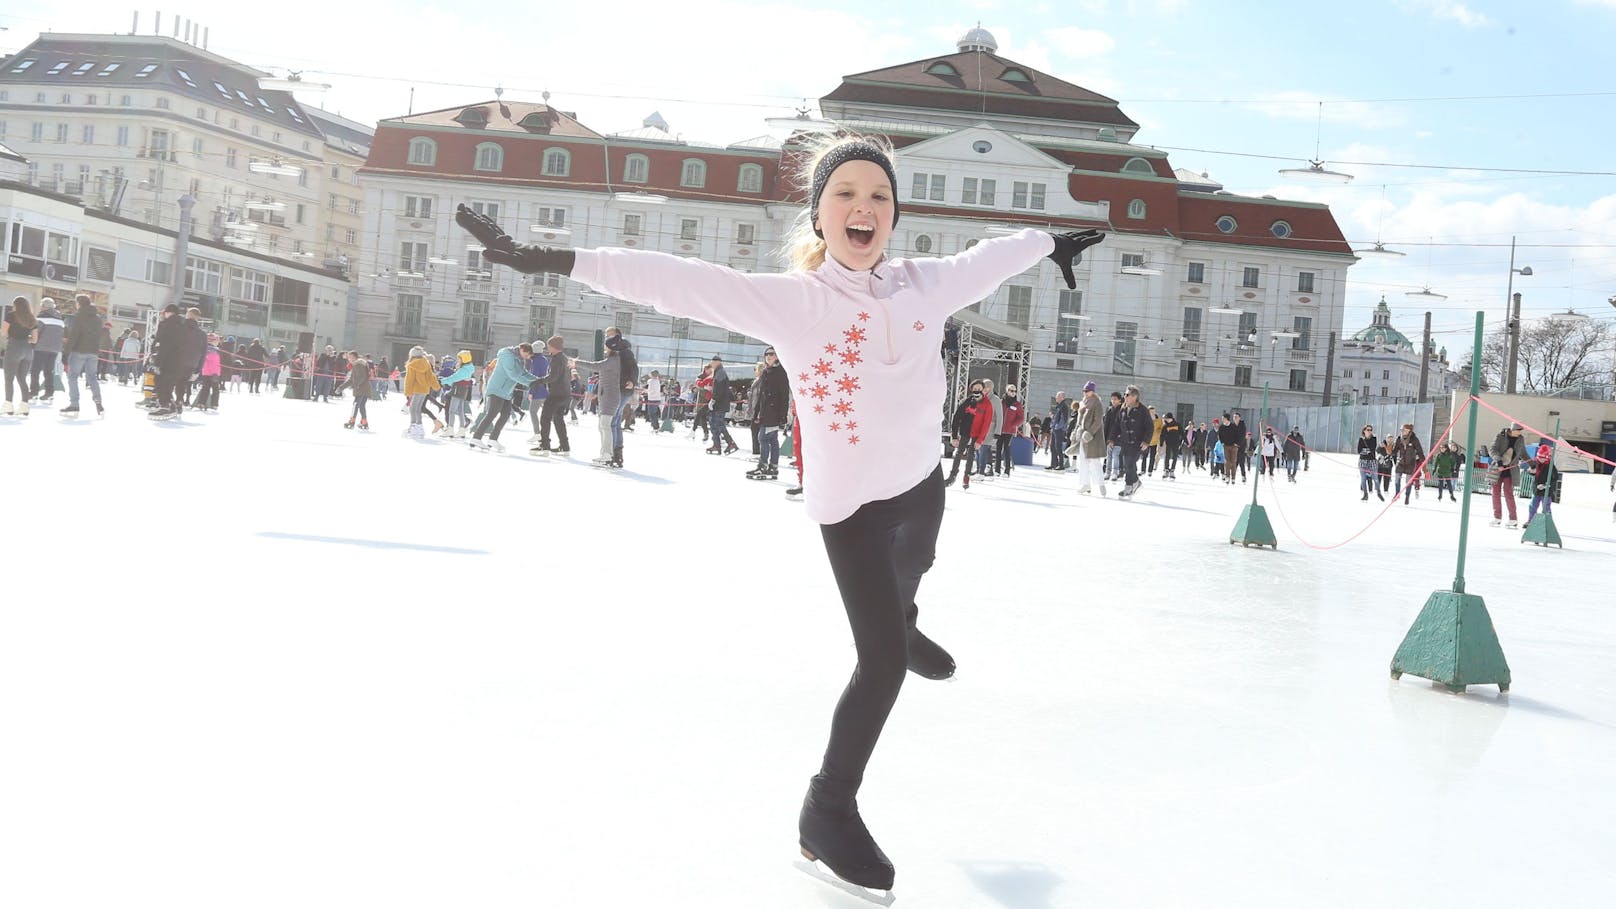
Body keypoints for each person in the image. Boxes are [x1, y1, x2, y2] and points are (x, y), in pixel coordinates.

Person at [455, 133, 1106, 895]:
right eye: (847, 194)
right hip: (853, 508)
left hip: (922, 483)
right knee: (883, 665)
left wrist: (1050, 239)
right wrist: (549, 260)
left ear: (894, 216)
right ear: (820, 215)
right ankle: (826, 811)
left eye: (880, 197)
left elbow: (990, 258)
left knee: (917, 564)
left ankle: (904, 612)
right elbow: (675, 278)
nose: (864, 207)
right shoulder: (795, 304)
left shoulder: (926, 285)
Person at [572, 330, 631, 467]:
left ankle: (607, 455)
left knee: (605, 426)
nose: (604, 348)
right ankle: (605, 454)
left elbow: (595, 366)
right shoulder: (613, 360)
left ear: (611, 347)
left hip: (610, 398)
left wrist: (576, 362)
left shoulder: (612, 360)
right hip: (607, 397)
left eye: (606, 346)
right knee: (603, 426)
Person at [467, 343, 534, 452]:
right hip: (497, 388)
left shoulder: (518, 359)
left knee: (505, 414)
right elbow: (513, 374)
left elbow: (523, 373)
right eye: (526, 355)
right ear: (521, 349)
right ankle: (476, 437)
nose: (526, 357)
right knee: (492, 414)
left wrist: (538, 380)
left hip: (506, 391)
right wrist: (531, 384)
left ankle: (493, 439)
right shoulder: (507, 355)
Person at [750, 347, 791, 480]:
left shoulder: (780, 372)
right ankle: (773, 467)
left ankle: (763, 465)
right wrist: (756, 412)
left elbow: (784, 395)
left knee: (763, 438)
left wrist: (782, 415)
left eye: (771, 354)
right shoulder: (767, 372)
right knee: (772, 440)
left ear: (777, 356)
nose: (768, 356)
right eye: (766, 354)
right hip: (765, 411)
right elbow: (761, 395)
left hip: (773, 412)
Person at [61, 295, 105, 417]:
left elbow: (74, 336)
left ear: (79, 303)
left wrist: (65, 353)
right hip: (93, 352)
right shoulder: (98, 318)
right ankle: (98, 402)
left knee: (73, 377)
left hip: (79, 351)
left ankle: (74, 404)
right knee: (92, 377)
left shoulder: (79, 317)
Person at [945, 379, 993, 489]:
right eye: (975, 389)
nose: (977, 391)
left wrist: (980, 440)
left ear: (983, 390)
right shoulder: (968, 401)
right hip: (965, 432)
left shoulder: (987, 404)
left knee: (970, 455)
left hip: (976, 435)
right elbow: (957, 418)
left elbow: (986, 424)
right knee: (959, 453)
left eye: (979, 389)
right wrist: (954, 436)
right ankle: (952, 476)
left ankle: (966, 477)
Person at [3, 296, 39, 415]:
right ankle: (24, 405)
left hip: (14, 347)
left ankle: (8, 405)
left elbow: (3, 332)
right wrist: (26, 338)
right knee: (22, 379)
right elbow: (34, 340)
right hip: (28, 350)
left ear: (16, 305)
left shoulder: (11, 315)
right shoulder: (32, 318)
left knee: (9, 378)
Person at [29, 297, 66, 406]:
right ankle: (49, 393)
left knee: (35, 371)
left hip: (41, 348)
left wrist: (31, 342)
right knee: (49, 371)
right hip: (54, 349)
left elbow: (36, 333)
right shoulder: (60, 319)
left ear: (44, 306)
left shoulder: (41, 318)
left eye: (41, 305)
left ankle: (34, 392)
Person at [402, 346, 441, 440]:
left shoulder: (412, 364)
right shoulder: (426, 363)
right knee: (417, 408)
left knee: (412, 408)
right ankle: (419, 428)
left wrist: (407, 391)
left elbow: (409, 380)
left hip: (416, 389)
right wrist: (436, 386)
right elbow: (431, 376)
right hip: (424, 389)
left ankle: (414, 427)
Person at [706, 355, 739, 454]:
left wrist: (713, 400)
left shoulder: (720, 373)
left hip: (720, 404)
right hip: (720, 403)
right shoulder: (718, 372)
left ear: (717, 362)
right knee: (714, 424)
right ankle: (717, 444)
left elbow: (719, 389)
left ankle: (729, 443)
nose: (711, 364)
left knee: (718, 424)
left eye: (712, 362)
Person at [1525, 437, 1560, 524]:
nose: (1541, 460)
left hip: (1546, 492)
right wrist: (1530, 471)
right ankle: (1531, 521)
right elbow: (1531, 471)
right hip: (1536, 490)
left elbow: (1555, 478)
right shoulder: (1536, 463)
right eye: (1539, 457)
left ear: (1547, 457)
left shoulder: (1551, 466)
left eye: (1543, 458)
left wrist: (1546, 485)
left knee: (1546, 507)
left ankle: (1547, 523)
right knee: (1533, 506)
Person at [993, 382, 1024, 477]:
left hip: (1009, 431)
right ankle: (997, 470)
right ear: (1007, 391)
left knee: (1006, 449)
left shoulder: (1017, 404)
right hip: (999, 429)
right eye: (1011, 390)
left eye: (1015, 391)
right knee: (998, 449)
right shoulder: (1001, 402)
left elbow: (1021, 418)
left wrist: (1013, 425)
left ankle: (1007, 471)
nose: (1013, 392)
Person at [1393, 423, 1425, 505]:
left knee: (1408, 481)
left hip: (1410, 463)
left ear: (1408, 431)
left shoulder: (1414, 439)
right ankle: (1397, 494)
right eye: (1401, 430)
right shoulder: (1399, 439)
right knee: (1397, 479)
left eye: (1403, 430)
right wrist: (1389, 450)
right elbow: (1395, 450)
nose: (1402, 431)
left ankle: (1407, 497)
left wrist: (1425, 469)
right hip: (1401, 462)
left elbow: (1420, 453)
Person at [340, 351, 372, 430]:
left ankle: (351, 421)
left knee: (356, 404)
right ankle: (364, 423)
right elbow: (352, 379)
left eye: (350, 357)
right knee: (361, 406)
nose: (349, 359)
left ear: (354, 357)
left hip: (361, 388)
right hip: (364, 388)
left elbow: (362, 377)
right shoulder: (357, 364)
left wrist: (355, 385)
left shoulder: (358, 364)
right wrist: (341, 387)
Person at [1356, 425, 1383, 502]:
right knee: (1363, 479)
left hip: (1372, 461)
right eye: (1368, 430)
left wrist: (1365, 450)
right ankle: (1365, 494)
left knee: (1375, 478)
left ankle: (1378, 492)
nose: (1370, 431)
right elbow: (1359, 451)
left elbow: (1372, 448)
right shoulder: (1361, 439)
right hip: (1362, 461)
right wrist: (1366, 451)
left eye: (1371, 430)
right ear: (1364, 431)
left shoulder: (1374, 438)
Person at [1046, 391, 1070, 471]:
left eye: (1057, 396)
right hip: (1055, 429)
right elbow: (1057, 418)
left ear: (1062, 397)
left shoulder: (1064, 406)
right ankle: (1054, 464)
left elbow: (1064, 419)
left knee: (1058, 447)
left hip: (1059, 430)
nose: (1056, 398)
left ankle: (1061, 465)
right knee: (1052, 447)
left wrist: (1057, 427)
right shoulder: (1058, 406)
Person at [1159, 412, 1182, 480]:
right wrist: (1161, 443)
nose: (1167, 420)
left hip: (1176, 443)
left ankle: (1172, 470)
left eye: (1168, 419)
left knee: (1175, 457)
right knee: (1167, 456)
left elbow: (1182, 433)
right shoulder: (1165, 426)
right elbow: (1162, 435)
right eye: (1166, 419)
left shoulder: (1178, 425)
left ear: (1171, 418)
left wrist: (1186, 441)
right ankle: (1166, 470)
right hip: (1168, 443)